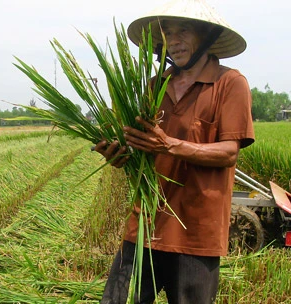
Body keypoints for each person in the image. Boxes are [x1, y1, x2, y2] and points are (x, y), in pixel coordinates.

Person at [95, 0, 255, 303]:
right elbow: (142, 152)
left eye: (184, 30)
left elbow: (228, 153)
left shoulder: (229, 83)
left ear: (206, 36)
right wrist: (118, 155)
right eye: (168, 33)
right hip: (144, 224)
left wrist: (169, 144)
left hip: (196, 230)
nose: (174, 41)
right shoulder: (155, 85)